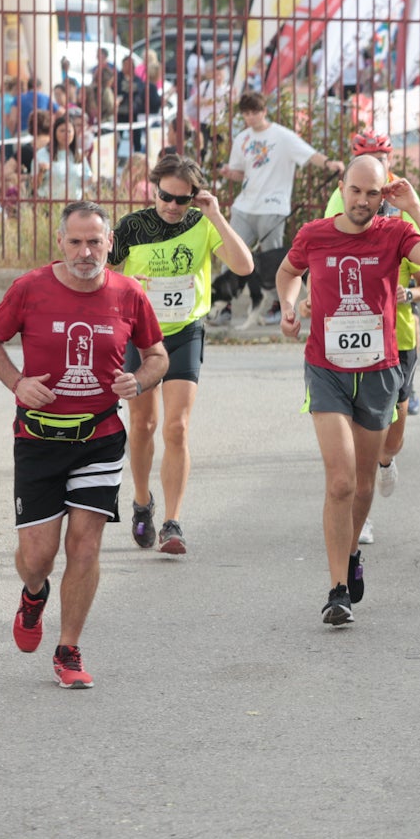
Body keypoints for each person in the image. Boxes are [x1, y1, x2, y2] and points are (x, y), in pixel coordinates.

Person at [0, 201, 167, 688]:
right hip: (38, 438)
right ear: (60, 244)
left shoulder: (129, 294)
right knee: (38, 557)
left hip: (100, 438)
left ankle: (69, 648)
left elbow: (157, 355)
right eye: (77, 242)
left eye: (95, 242)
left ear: (109, 244)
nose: (86, 252)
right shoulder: (29, 288)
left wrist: (140, 382)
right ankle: (34, 592)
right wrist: (17, 383)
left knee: (85, 545)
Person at [275, 159, 420, 626]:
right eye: (354, 191)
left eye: (371, 193)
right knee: (340, 482)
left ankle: (352, 552)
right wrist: (289, 307)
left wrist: (412, 204)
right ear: (342, 188)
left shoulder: (394, 233)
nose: (361, 201)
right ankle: (337, 588)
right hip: (327, 368)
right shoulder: (315, 233)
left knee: (363, 483)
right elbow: (288, 271)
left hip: (378, 369)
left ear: (383, 195)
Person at [110, 153, 254, 555]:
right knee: (143, 425)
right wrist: (125, 282)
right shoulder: (133, 226)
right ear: (154, 190)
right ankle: (142, 503)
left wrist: (216, 217)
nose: (173, 207)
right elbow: (95, 272)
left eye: (182, 199)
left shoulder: (203, 223)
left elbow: (244, 266)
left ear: (195, 196)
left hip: (185, 331)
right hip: (140, 336)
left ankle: (172, 522)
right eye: (166, 197)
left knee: (177, 427)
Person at [319, 131, 420, 543]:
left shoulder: (399, 203)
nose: (363, 199)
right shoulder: (344, 201)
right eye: (367, 158)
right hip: (347, 335)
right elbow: (323, 251)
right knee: (352, 442)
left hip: (397, 336)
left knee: (395, 431)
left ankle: (384, 462)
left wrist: (415, 285)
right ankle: (360, 511)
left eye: (381, 158)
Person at [220, 92, 346, 322]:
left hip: (272, 206)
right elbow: (242, 174)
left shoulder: (282, 136)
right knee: (230, 252)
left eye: (255, 112)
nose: (251, 118)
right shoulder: (242, 139)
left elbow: (309, 155)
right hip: (245, 205)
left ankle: (279, 306)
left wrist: (330, 164)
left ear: (264, 111)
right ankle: (223, 306)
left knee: (276, 261)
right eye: (246, 114)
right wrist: (231, 173)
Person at [32, 115, 91, 201]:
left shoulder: (79, 154)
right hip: (49, 205)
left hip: (73, 205)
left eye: (69, 131)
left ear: (74, 133)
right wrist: (41, 172)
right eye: (62, 131)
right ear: (54, 132)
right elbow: (34, 185)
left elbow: (87, 181)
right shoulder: (42, 154)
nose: (66, 135)